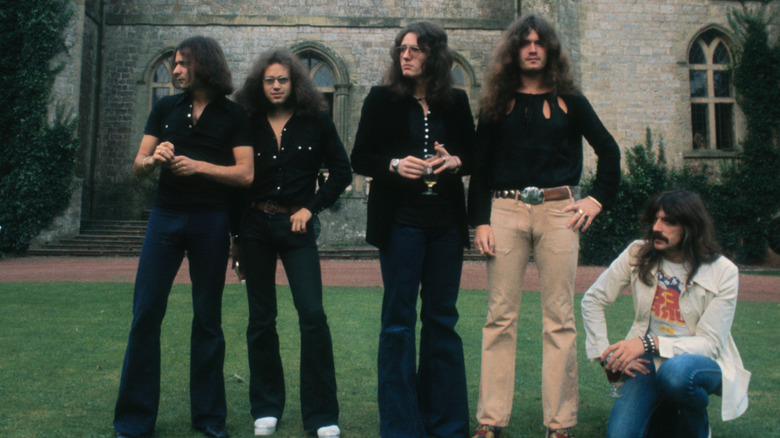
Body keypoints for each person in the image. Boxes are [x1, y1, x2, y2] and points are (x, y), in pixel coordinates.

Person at [467, 14, 622, 438]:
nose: (532, 48)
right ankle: (490, 420)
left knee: (559, 318)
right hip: (505, 211)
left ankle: (559, 423)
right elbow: (480, 168)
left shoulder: (571, 100)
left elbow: (609, 151)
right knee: (500, 317)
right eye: (525, 42)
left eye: (539, 42)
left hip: (559, 213)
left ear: (550, 49)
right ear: (513, 50)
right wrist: (479, 221)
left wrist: (595, 200)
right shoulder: (496, 103)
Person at [114, 36, 253, 438]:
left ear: (204, 65)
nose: (175, 70)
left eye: (182, 63)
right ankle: (134, 422)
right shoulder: (164, 108)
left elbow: (245, 174)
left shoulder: (234, 115)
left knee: (207, 319)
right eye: (174, 64)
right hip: (166, 218)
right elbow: (138, 164)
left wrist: (199, 167)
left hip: (211, 220)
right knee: (145, 314)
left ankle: (209, 419)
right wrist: (153, 160)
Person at [351, 21, 475, 438]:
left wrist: (455, 161)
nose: (405, 55)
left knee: (442, 320)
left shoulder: (455, 102)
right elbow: (360, 157)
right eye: (402, 49)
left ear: (434, 56)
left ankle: (447, 425)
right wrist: (394, 164)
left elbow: (475, 155)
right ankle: (402, 427)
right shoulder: (381, 99)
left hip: (445, 227)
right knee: (398, 322)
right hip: (400, 223)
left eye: (416, 49)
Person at [233, 49, 351, 438]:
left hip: (297, 229)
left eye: (282, 79)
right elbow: (236, 183)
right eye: (269, 80)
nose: (276, 86)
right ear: (259, 84)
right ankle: (266, 407)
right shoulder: (247, 122)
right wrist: (235, 239)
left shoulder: (316, 121)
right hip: (254, 226)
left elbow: (342, 171)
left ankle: (322, 415)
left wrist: (310, 208)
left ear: (295, 82)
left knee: (312, 315)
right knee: (261, 319)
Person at [581, 189, 750, 438]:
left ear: (691, 227)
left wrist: (648, 343)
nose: (657, 228)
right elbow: (593, 300)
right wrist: (605, 354)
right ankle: (666, 416)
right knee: (620, 435)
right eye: (655, 219)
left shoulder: (723, 271)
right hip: (648, 361)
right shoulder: (637, 253)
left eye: (669, 222)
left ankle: (697, 427)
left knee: (676, 373)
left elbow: (710, 344)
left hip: (699, 363)